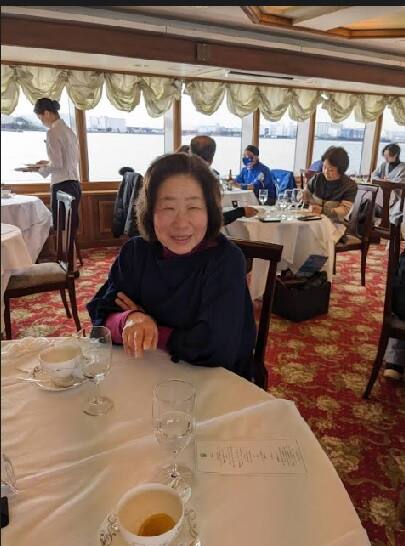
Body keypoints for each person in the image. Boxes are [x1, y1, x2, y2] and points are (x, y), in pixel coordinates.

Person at [87, 153, 257, 381]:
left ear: (210, 211)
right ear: (150, 211)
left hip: (214, 381)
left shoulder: (226, 260)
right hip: (147, 373)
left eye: (193, 207)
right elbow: (101, 316)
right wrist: (131, 319)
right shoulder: (136, 252)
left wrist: (152, 328)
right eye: (168, 208)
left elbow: (215, 349)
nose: (181, 223)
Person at [26, 98, 81, 233]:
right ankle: (71, 248)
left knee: (62, 229)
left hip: (62, 187)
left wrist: (38, 169)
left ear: (46, 113)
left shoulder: (52, 132)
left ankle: (65, 249)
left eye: (40, 118)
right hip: (75, 185)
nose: (42, 122)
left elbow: (57, 164)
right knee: (70, 229)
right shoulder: (69, 131)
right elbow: (69, 160)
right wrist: (46, 163)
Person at [190, 135, 258, 224]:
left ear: (190, 152)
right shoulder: (209, 179)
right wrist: (241, 212)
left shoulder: (180, 175)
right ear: (212, 158)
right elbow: (212, 220)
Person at [302, 146, 357, 223]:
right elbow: (305, 194)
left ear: (341, 170)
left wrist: (323, 210)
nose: (326, 172)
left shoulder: (349, 186)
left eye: (331, 170)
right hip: (312, 220)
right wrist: (302, 196)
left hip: (335, 224)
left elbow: (344, 210)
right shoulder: (317, 178)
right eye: (324, 167)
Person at [372, 143, 405, 214]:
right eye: (384, 156)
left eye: (388, 156)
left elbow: (401, 182)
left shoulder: (403, 167)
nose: (385, 158)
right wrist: (382, 180)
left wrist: (386, 180)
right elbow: (374, 175)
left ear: (396, 155)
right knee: (367, 202)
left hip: (397, 201)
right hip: (381, 198)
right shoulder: (384, 165)